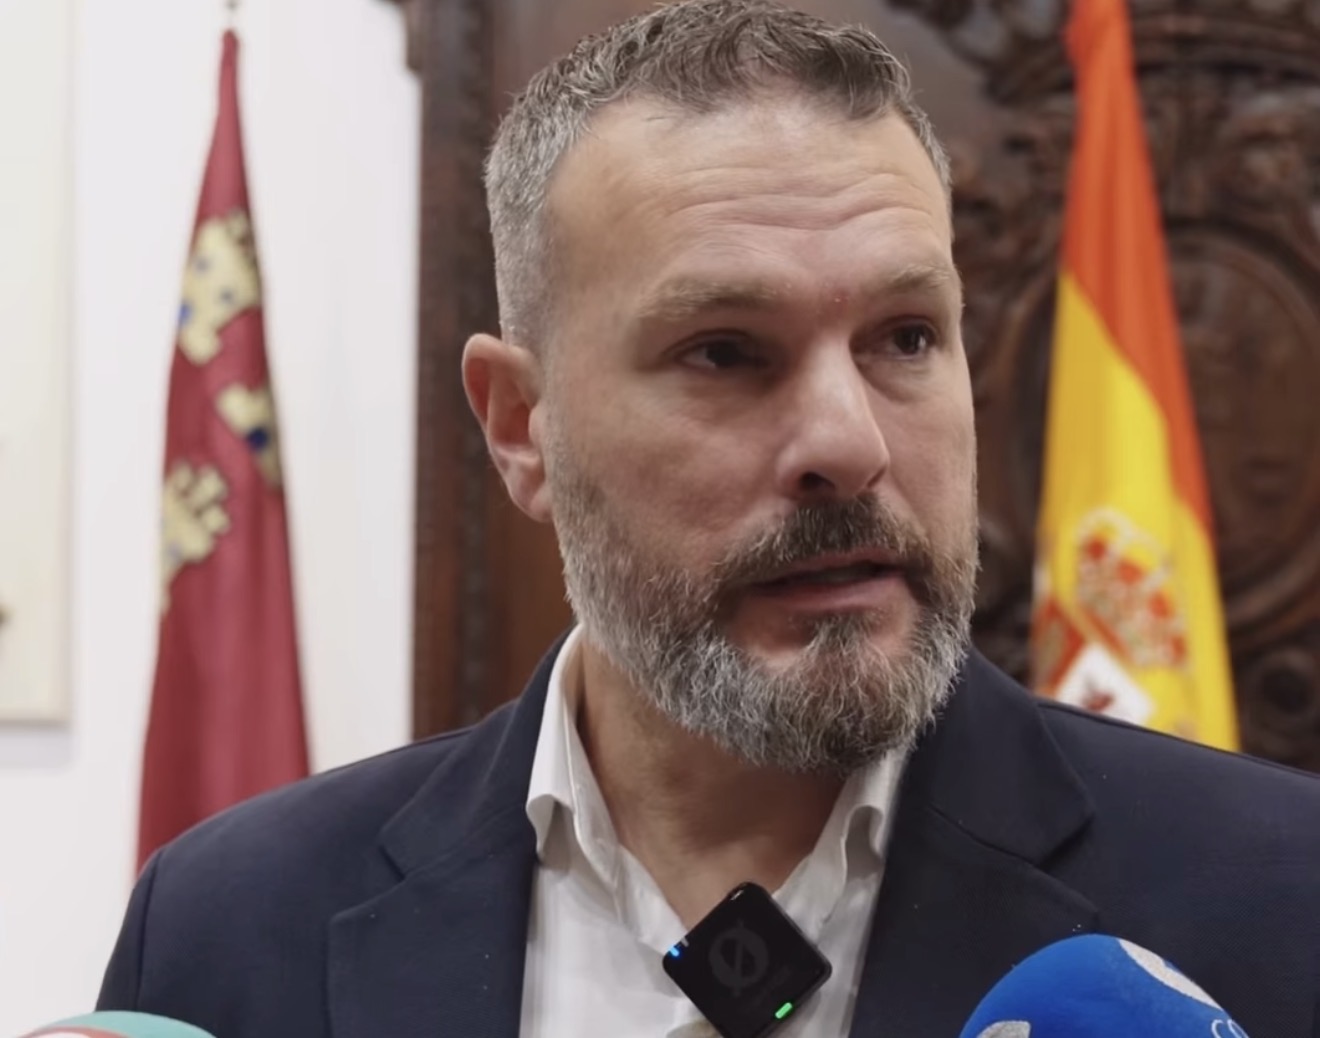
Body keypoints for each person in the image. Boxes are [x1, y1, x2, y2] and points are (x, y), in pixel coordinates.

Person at [98, 2, 1320, 1036]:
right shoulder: (230, 927)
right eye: (726, 351)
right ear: (521, 426)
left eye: (905, 337)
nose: (849, 442)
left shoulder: (1277, 903)